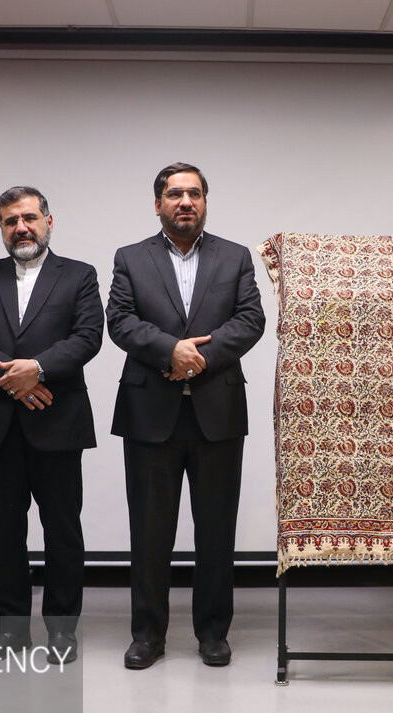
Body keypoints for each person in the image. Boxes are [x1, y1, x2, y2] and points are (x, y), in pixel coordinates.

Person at [106, 162, 265, 669]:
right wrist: (169, 350)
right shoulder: (131, 258)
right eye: (174, 194)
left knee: (216, 531)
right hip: (150, 411)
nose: (185, 202)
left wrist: (198, 357)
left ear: (204, 203)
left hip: (217, 410)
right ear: (158, 204)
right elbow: (120, 320)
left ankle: (213, 633)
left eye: (194, 194)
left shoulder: (235, 256)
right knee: (149, 532)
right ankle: (148, 635)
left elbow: (251, 319)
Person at [0, 186, 102, 663]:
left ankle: (62, 632)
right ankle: (10, 632)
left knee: (63, 532)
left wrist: (37, 369)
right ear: (1, 227)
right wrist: (15, 381)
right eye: (11, 221)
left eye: (29, 218)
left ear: (48, 222)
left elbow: (87, 337)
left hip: (58, 420)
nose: (21, 227)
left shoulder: (78, 275)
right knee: (3, 533)